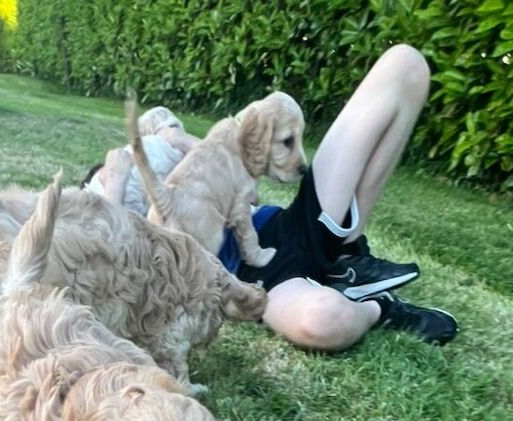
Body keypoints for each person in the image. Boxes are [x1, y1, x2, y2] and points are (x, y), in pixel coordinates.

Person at [82, 45, 457, 347]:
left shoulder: (179, 164)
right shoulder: (116, 210)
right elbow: (114, 263)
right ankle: (377, 306)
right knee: (325, 322)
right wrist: (114, 180)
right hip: (257, 281)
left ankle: (348, 257)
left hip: (281, 229)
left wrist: (179, 140)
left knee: (405, 65)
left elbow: (238, 174)